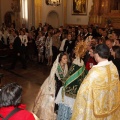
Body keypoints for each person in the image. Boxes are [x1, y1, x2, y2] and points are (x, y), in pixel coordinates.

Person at [71, 44, 120, 120]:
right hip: (111, 106)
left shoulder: (95, 72)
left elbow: (83, 92)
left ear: (97, 55)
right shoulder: (113, 67)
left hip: (97, 109)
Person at [55, 41, 88, 120]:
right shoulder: (82, 63)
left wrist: (64, 83)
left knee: (66, 109)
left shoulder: (75, 63)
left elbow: (68, 77)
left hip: (69, 92)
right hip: (77, 91)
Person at [32, 52, 68, 120]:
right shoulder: (56, 66)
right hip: (53, 83)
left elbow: (65, 76)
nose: (66, 60)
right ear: (60, 59)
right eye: (64, 58)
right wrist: (51, 89)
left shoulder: (65, 65)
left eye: (66, 58)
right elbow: (51, 77)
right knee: (50, 101)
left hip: (61, 85)